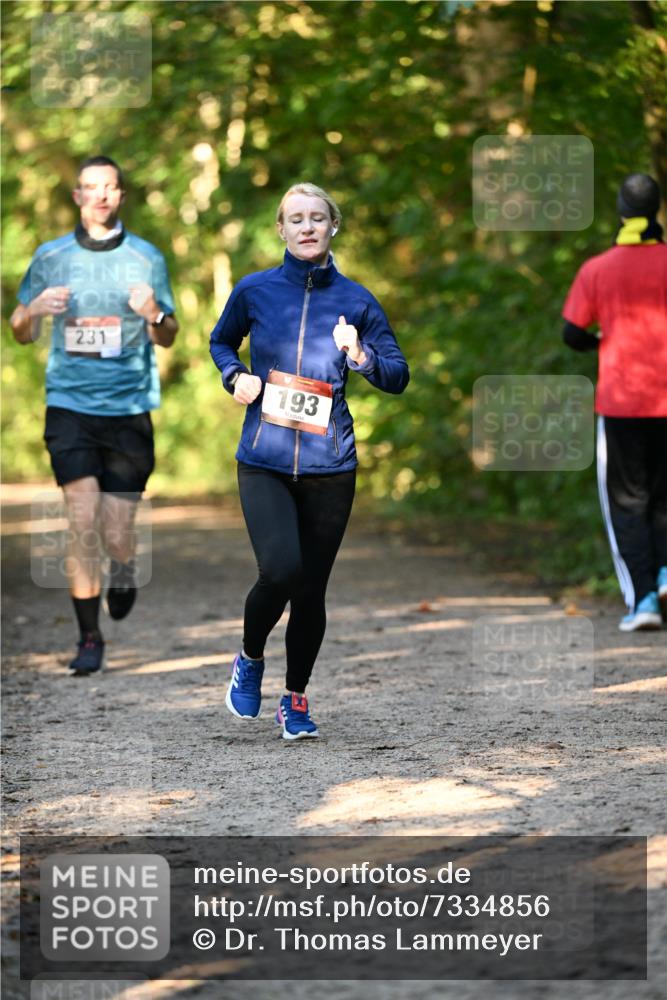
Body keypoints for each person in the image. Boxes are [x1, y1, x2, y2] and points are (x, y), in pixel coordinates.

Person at [210, 182, 409, 739]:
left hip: (330, 467)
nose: (306, 227)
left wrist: (360, 354)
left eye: (317, 218)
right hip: (264, 459)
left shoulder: (357, 300)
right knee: (280, 570)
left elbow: (397, 375)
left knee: (311, 589)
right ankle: (250, 657)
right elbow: (221, 342)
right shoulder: (254, 291)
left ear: (332, 226)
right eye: (295, 219)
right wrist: (235, 375)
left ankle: (294, 699)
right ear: (281, 229)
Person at [10, 155, 178, 673]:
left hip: (128, 408)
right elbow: (20, 329)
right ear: (78, 196)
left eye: (109, 187)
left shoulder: (146, 257)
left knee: (116, 530)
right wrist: (34, 310)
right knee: (82, 519)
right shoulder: (51, 256)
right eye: (90, 186)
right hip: (70, 405)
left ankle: (123, 567)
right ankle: (89, 638)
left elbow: (168, 335)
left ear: (120, 195)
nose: (100, 195)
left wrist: (154, 313)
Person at [562, 172, 667, 632]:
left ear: (622, 212)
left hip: (623, 403)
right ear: (656, 210)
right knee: (663, 496)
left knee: (627, 503)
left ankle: (644, 600)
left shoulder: (598, 269)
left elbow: (572, 333)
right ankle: (665, 573)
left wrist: (600, 341)